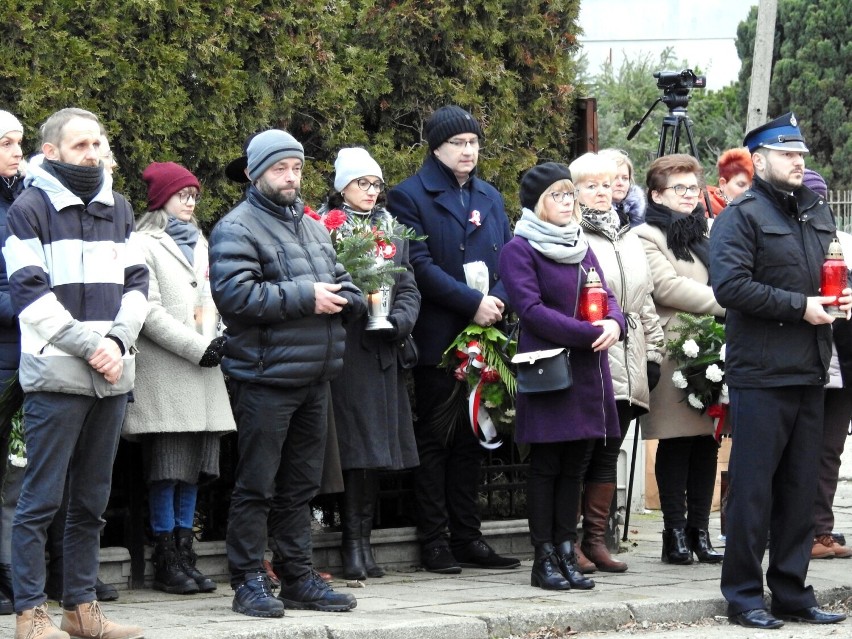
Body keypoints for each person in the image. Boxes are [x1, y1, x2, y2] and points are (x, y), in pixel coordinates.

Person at [3, 107, 148, 639]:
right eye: (80, 145)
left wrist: (116, 342)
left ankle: (81, 610)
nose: (92, 153)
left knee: (91, 500)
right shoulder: (29, 208)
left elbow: (138, 285)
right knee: (39, 500)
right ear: (52, 152)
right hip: (57, 375)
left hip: (113, 373)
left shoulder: (121, 208)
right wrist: (94, 345)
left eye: (97, 143)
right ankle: (29, 613)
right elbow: (29, 294)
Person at [209, 129, 365, 618]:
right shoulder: (236, 228)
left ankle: (298, 576)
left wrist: (354, 298)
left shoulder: (315, 228)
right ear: (256, 173)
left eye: (297, 168)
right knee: (257, 484)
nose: (291, 177)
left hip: (315, 375)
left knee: (301, 486)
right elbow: (235, 297)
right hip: (264, 377)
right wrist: (307, 297)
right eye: (280, 168)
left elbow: (338, 280)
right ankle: (248, 580)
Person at [710, 113, 849, 629]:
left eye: (802, 156)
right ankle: (744, 595)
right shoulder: (740, 215)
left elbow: (830, 273)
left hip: (810, 369)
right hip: (763, 372)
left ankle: (792, 591)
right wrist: (800, 306)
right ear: (761, 160)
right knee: (752, 491)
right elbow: (730, 288)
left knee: (799, 490)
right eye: (789, 155)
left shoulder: (815, 211)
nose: (798, 162)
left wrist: (841, 297)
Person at [387, 105, 519, 574]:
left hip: (486, 335)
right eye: (458, 143)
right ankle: (435, 540)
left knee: (473, 440)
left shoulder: (490, 196)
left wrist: (499, 301)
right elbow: (417, 265)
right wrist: (471, 304)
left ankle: (469, 536)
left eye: (474, 142)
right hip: (442, 338)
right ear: (436, 147)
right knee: (436, 440)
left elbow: (509, 258)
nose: (469, 151)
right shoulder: (409, 196)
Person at [500, 161, 624, 591]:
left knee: (576, 466)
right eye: (557, 195)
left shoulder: (580, 244)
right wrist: (590, 332)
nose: (567, 202)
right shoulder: (519, 249)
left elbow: (604, 294)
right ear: (537, 203)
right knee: (548, 465)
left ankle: (567, 550)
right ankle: (544, 557)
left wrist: (614, 323)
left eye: (570, 194)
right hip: (550, 369)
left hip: (589, 369)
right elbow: (531, 311)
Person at [122, 162, 237, 595]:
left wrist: (220, 336)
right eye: (182, 195)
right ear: (161, 199)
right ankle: (166, 558)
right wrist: (196, 347)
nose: (191, 203)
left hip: (204, 372)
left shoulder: (200, 242)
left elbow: (209, 298)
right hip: (167, 372)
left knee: (194, 472)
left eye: (194, 195)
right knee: (166, 470)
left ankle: (185, 554)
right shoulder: (141, 243)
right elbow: (146, 310)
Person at [320, 148, 421, 581]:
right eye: (362, 183)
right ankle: (350, 544)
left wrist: (398, 321)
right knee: (353, 450)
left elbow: (409, 285)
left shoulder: (393, 230)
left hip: (384, 349)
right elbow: (325, 280)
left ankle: (364, 543)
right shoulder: (324, 227)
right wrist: (358, 306)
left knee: (376, 452)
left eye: (376, 184)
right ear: (343, 185)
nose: (371, 191)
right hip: (348, 349)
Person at [569, 152, 664, 573]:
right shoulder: (572, 233)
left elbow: (644, 303)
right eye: (591, 185)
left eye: (608, 184)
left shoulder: (628, 234)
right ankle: (568, 539)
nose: (602, 192)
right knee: (581, 453)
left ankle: (597, 540)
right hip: (593, 355)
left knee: (609, 452)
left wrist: (656, 351)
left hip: (631, 358)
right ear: (573, 192)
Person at [634, 154, 725, 567]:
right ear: (656, 194)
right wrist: (726, 304)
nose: (689, 196)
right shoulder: (647, 235)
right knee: (675, 442)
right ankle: (674, 533)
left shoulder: (702, 232)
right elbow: (666, 286)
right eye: (679, 189)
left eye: (694, 188)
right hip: (674, 348)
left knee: (707, 441)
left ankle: (699, 531)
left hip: (710, 347)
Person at [0, 110, 24, 617]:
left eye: (19, 141)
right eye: (5, 142)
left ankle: (14, 575)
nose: (16, 152)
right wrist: (37, 304)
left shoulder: (23, 200)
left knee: (16, 473)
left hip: (28, 356)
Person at [599, 149, 646, 227]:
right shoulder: (588, 218)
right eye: (614, 177)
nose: (620, 183)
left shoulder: (643, 215)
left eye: (625, 178)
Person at [706, 148, 753, 216]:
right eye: (741, 184)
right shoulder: (707, 215)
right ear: (723, 184)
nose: (748, 192)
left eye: (752, 186)